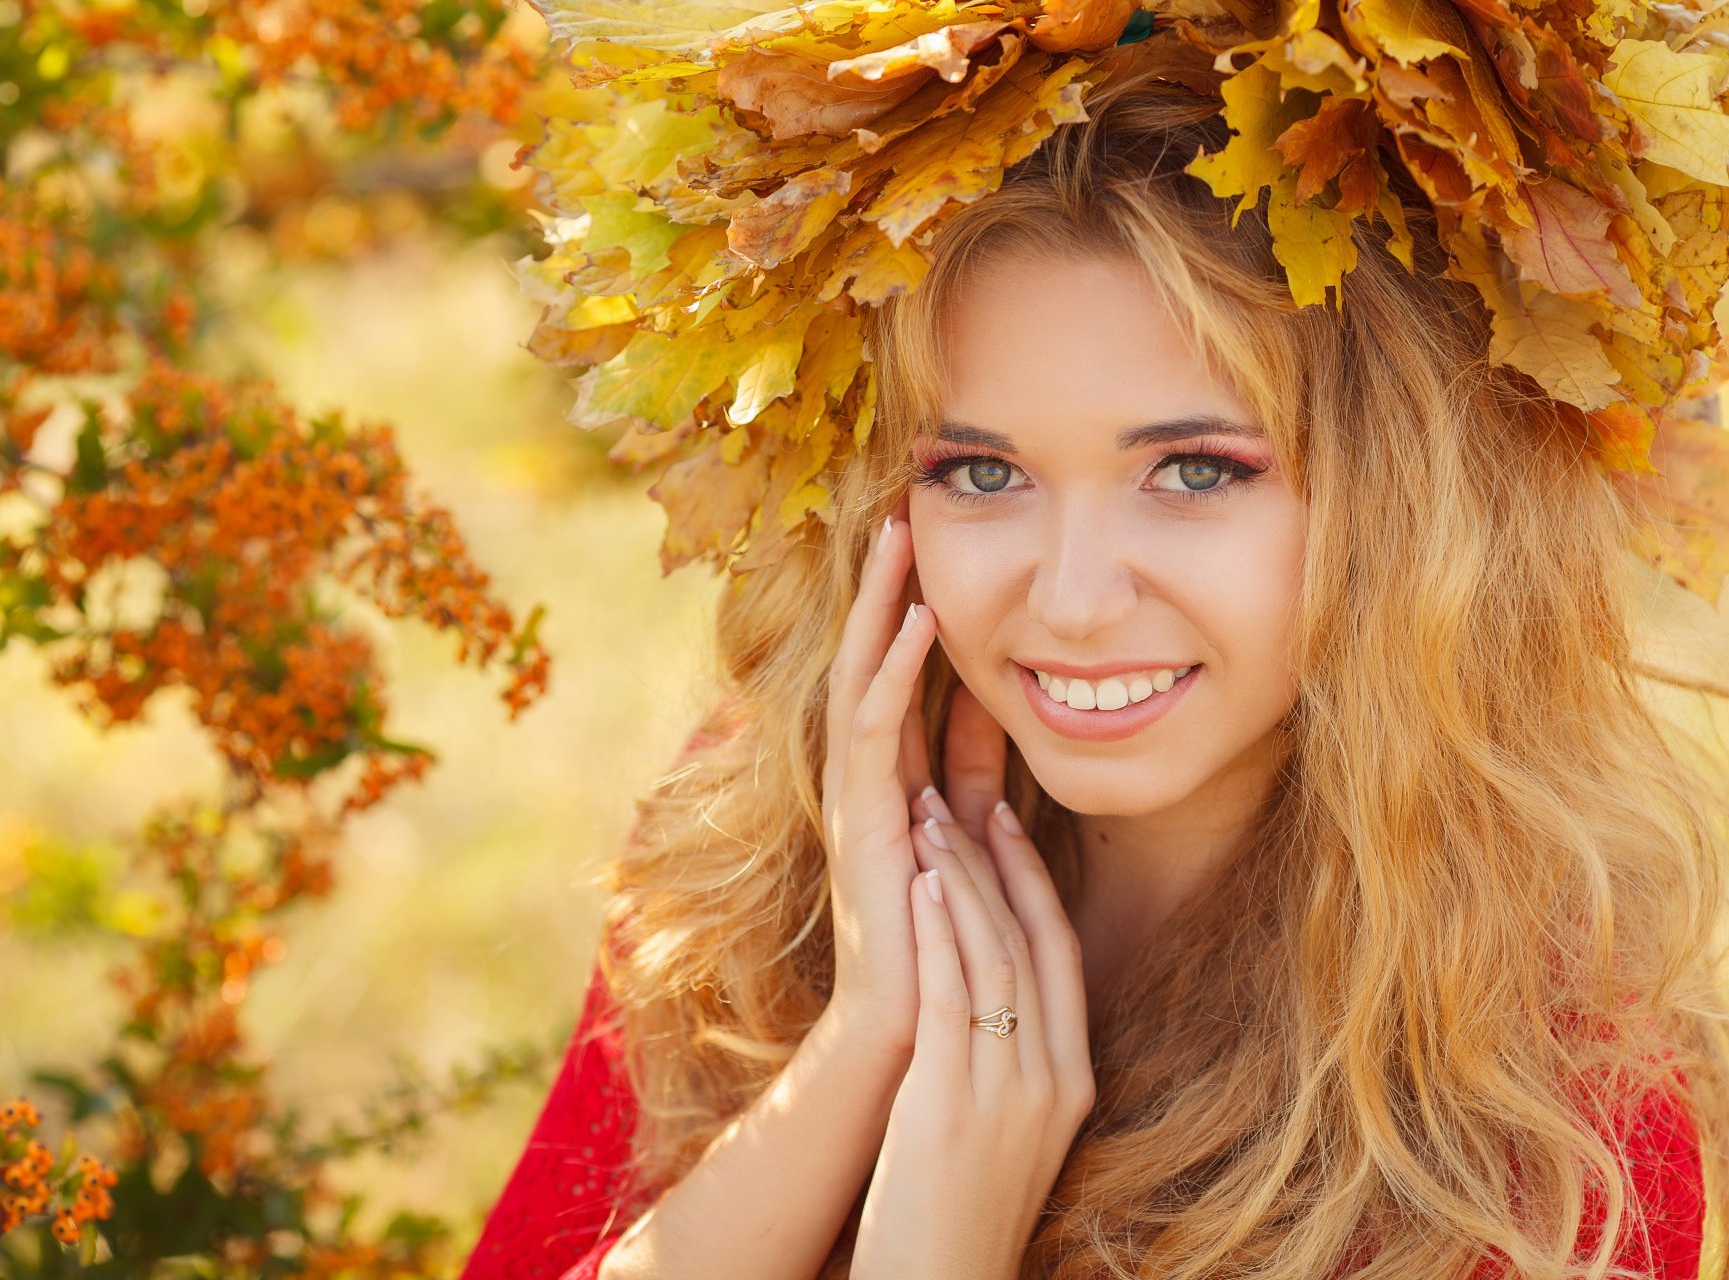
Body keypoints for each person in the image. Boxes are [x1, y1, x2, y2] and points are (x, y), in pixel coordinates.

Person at [459, 7, 1729, 1278]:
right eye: (979, 471)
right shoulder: (760, 851)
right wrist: (859, 1048)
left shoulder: (1558, 1130)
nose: (1067, 601)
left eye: (1190, 470)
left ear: (1398, 504)